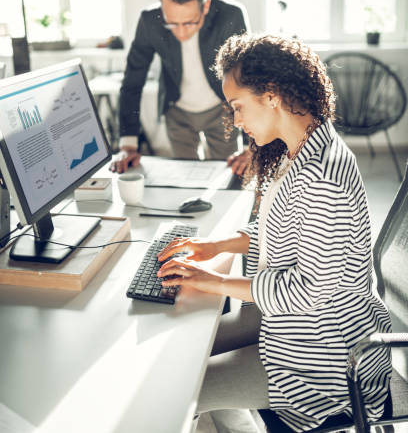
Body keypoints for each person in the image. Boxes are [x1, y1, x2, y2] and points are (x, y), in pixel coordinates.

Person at [156, 34, 392, 432]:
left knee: (180, 389)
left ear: (271, 95)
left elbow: (307, 291)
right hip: (295, 328)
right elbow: (281, 229)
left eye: (238, 107)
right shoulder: (298, 147)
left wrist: (213, 281)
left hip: (324, 359)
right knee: (178, 350)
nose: (237, 122)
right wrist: (216, 245)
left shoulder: (322, 179)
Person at [110, 0, 250, 174]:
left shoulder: (230, 15)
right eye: (172, 24)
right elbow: (133, 80)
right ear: (162, 8)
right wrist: (128, 143)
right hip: (177, 111)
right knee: (185, 178)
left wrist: (251, 145)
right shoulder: (150, 21)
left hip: (222, 108)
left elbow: (247, 79)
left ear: (206, 7)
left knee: (228, 173)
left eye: (190, 23)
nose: (181, 32)